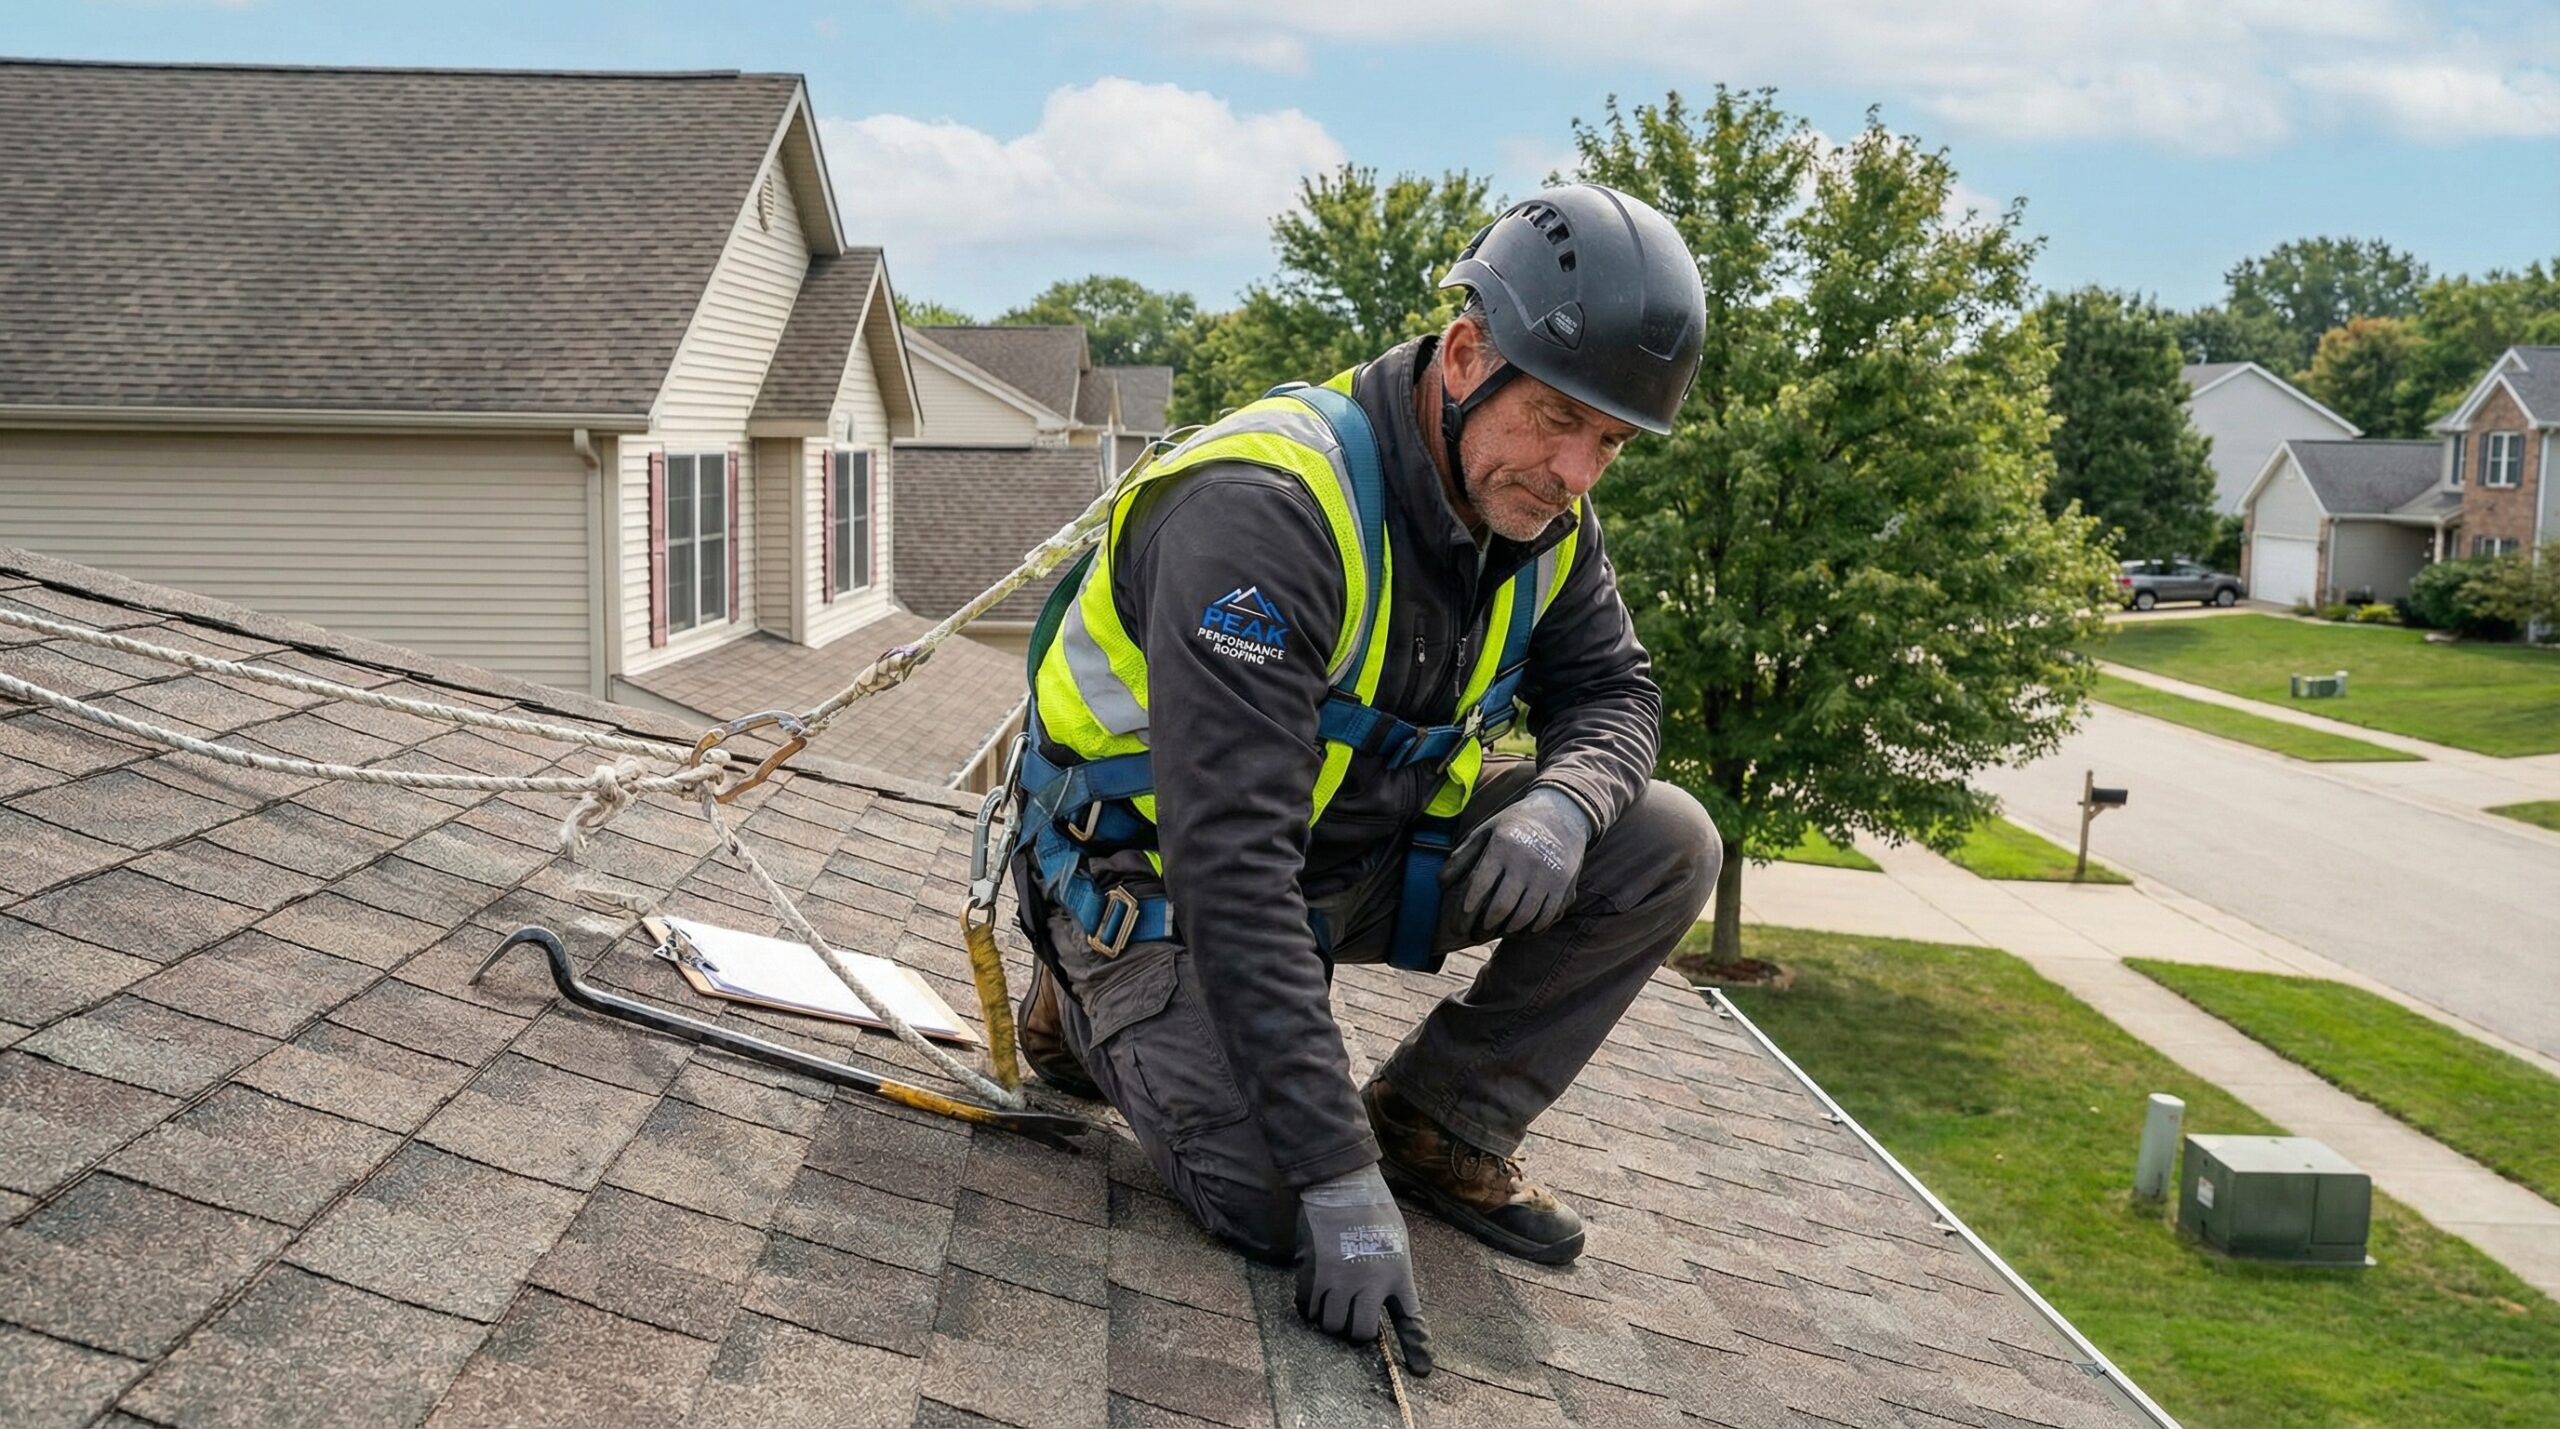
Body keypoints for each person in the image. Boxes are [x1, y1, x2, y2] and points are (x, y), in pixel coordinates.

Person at [1006, 183, 1723, 1370]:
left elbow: (1614, 692)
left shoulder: (1538, 513)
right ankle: (1086, 997)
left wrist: (1564, 803)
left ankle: (1440, 1120)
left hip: (1348, 856)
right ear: (1464, 355)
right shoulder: (1263, 512)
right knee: (1276, 1202)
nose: (1575, 471)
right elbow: (1233, 865)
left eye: (1610, 441)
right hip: (1155, 872)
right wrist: (1335, 1174)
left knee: (1665, 840)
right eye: (1557, 418)